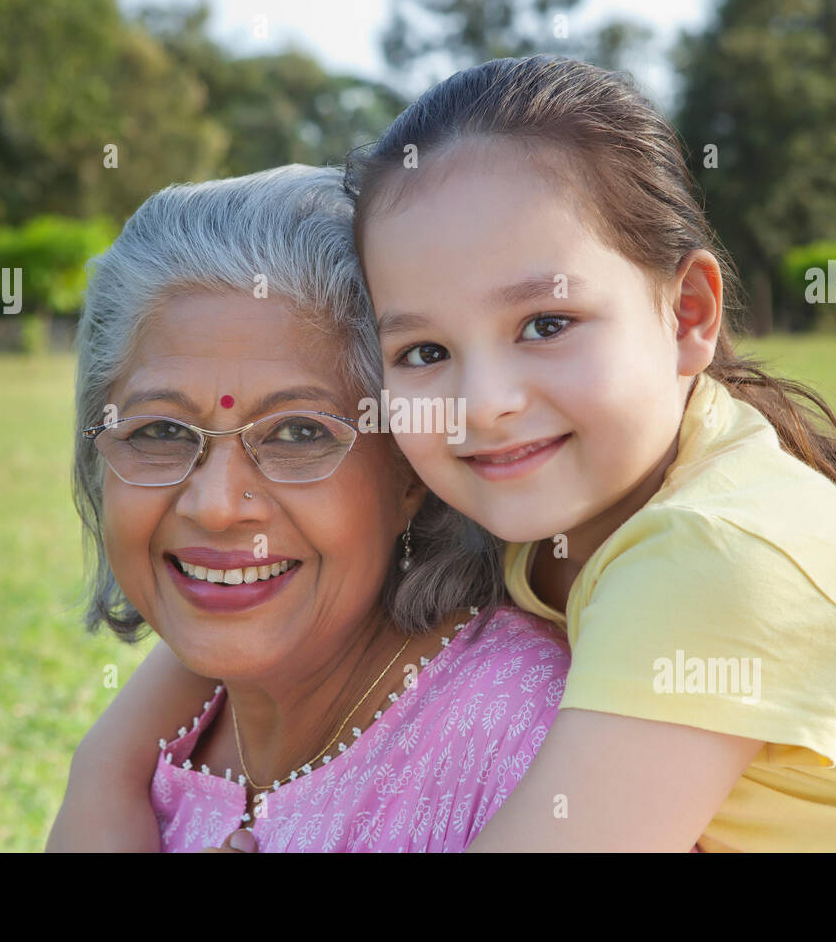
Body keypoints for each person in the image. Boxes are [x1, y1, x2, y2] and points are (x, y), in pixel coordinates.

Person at [347, 55, 836, 851]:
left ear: (689, 313)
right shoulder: (573, 499)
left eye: (546, 325)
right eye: (423, 351)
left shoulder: (711, 552)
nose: (483, 402)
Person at [45, 164, 570, 852]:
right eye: (160, 432)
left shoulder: (530, 740)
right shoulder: (160, 745)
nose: (217, 507)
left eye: (298, 434)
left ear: (409, 469)